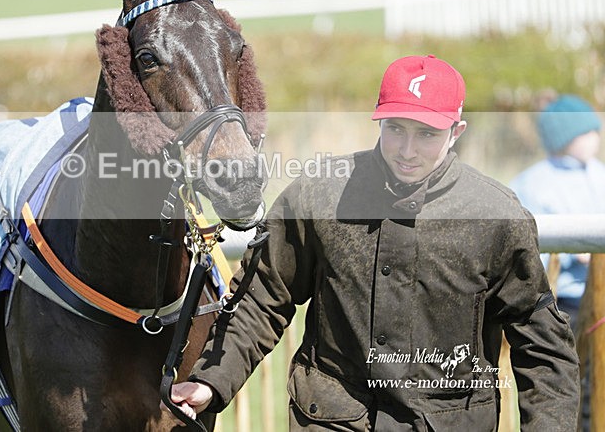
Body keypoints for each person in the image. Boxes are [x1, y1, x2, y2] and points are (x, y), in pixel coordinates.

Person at [162, 55, 580, 431]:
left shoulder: (495, 215)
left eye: (427, 134)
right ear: (378, 121)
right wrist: (209, 380)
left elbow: (542, 346)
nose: (407, 150)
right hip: (331, 420)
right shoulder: (317, 197)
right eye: (395, 129)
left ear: (457, 131)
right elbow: (263, 297)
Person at [510, 94, 605, 330]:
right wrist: (573, 250)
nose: (596, 138)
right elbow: (523, 250)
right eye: (586, 132)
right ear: (564, 138)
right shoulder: (532, 184)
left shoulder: (599, 174)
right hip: (562, 300)